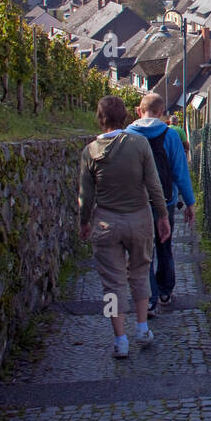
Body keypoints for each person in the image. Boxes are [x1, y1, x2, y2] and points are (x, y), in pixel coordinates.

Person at [79, 95, 171, 358]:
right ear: (126, 117)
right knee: (140, 274)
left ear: (100, 119)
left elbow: (86, 197)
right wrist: (162, 216)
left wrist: (84, 222)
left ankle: (120, 340)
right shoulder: (140, 144)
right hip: (140, 219)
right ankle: (142, 328)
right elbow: (154, 185)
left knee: (112, 285)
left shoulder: (90, 152)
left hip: (106, 223)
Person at [128, 93, 195, 313]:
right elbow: (180, 172)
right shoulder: (170, 136)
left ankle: (148, 298)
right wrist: (189, 202)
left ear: (139, 110)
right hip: (165, 202)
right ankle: (165, 290)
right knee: (164, 246)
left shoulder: (127, 136)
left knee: (142, 252)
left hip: (137, 203)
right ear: (162, 114)